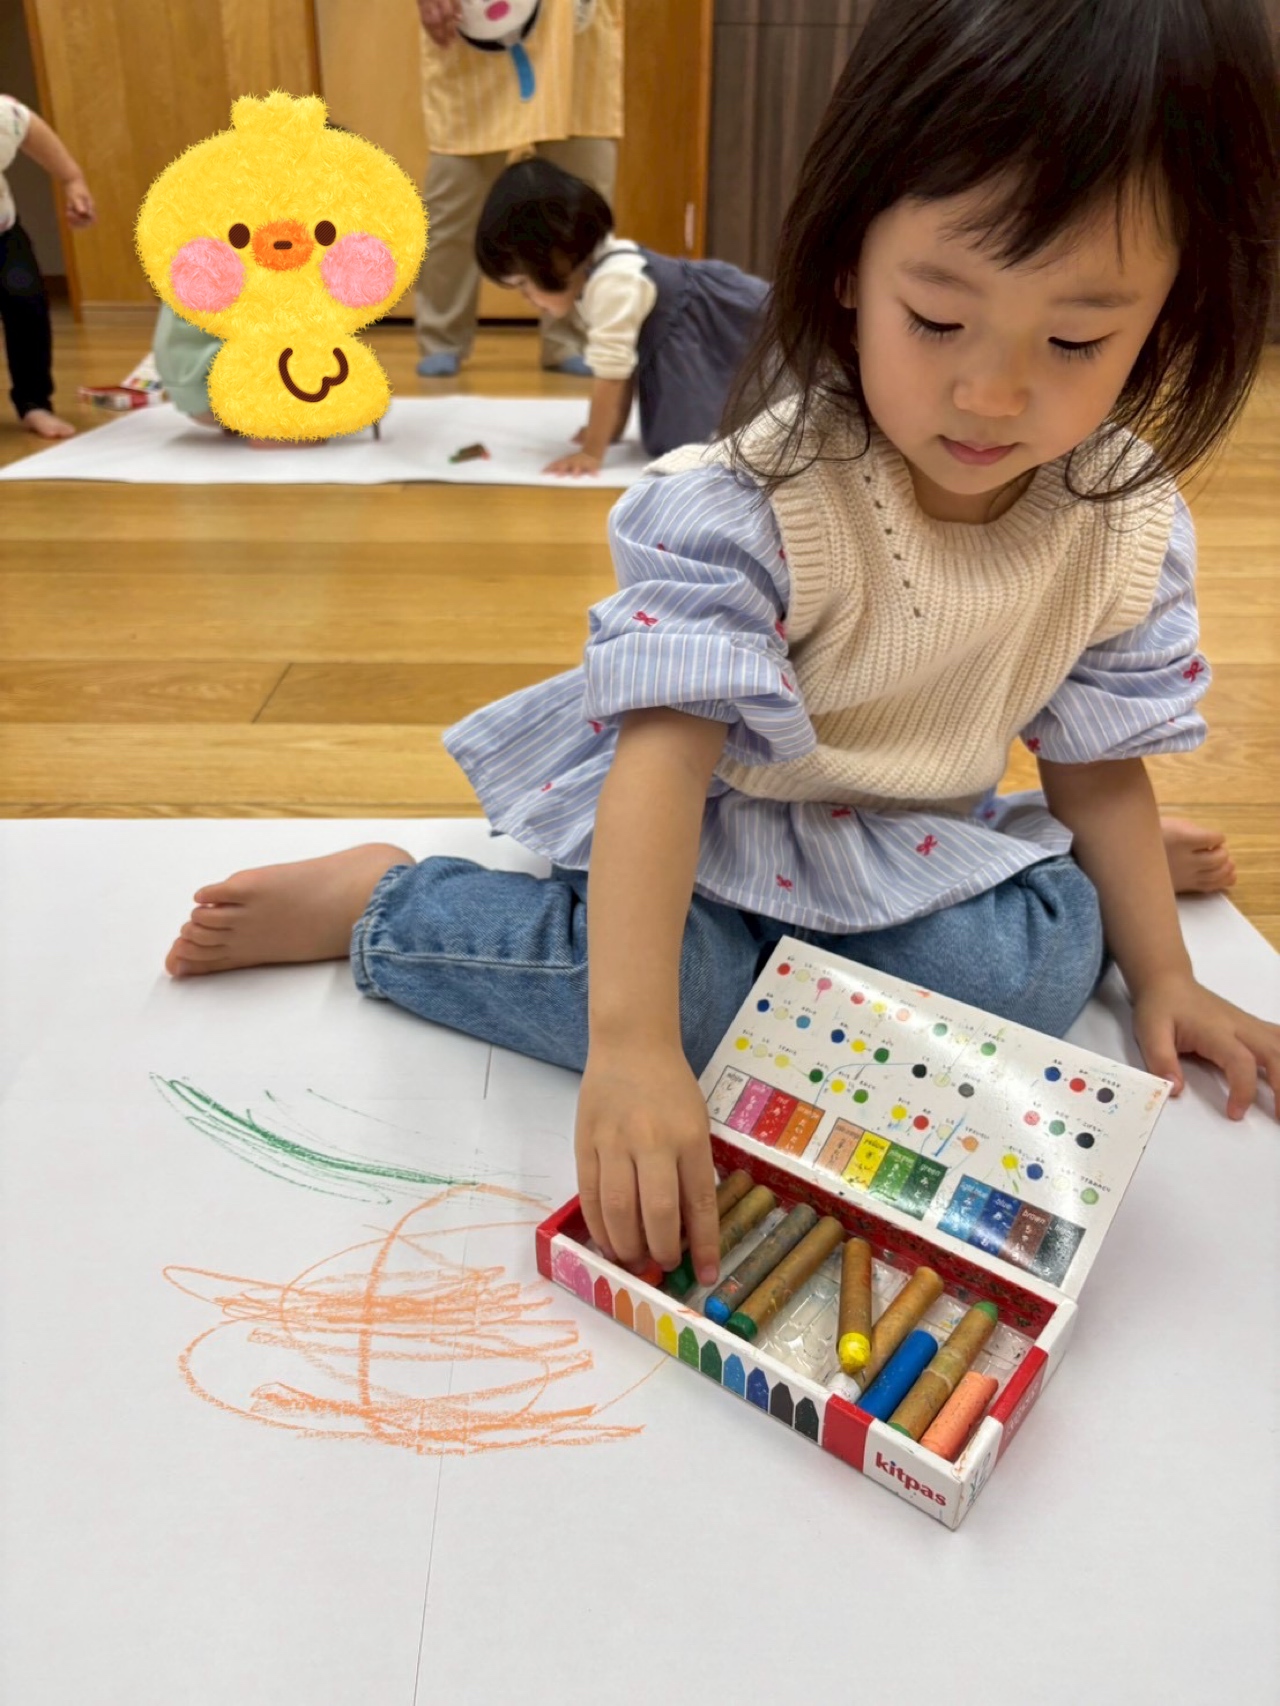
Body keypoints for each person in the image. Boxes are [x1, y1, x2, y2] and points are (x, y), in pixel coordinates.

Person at [164, 0, 1279, 1293]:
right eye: (936, 317)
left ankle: (1048, 859)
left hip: (900, 826)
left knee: (1026, 971)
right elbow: (666, 762)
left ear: (1172, 310)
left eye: (1076, 338)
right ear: (850, 261)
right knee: (689, 1005)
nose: (990, 393)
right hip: (713, 821)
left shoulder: (1124, 518)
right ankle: (392, 906)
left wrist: (1164, 971)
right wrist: (633, 1048)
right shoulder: (760, 499)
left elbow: (1095, 762)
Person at [475, 157, 770, 474]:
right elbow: (623, 367)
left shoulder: (613, 282)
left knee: (687, 442)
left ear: (558, 258)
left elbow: (612, 376)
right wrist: (610, 433)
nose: (526, 298)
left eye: (524, 284)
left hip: (740, 324)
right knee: (677, 436)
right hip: (701, 329)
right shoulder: (597, 272)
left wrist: (591, 453)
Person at [414, 0, 623, 377]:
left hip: (576, 31)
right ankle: (442, 337)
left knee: (583, 205)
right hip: (475, 24)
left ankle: (571, 337)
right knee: (454, 203)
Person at [0, 93, 95, 438]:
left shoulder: (3, 116)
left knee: (27, 303)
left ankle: (34, 402)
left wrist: (72, 180)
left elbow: (29, 127)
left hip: (3, 234)